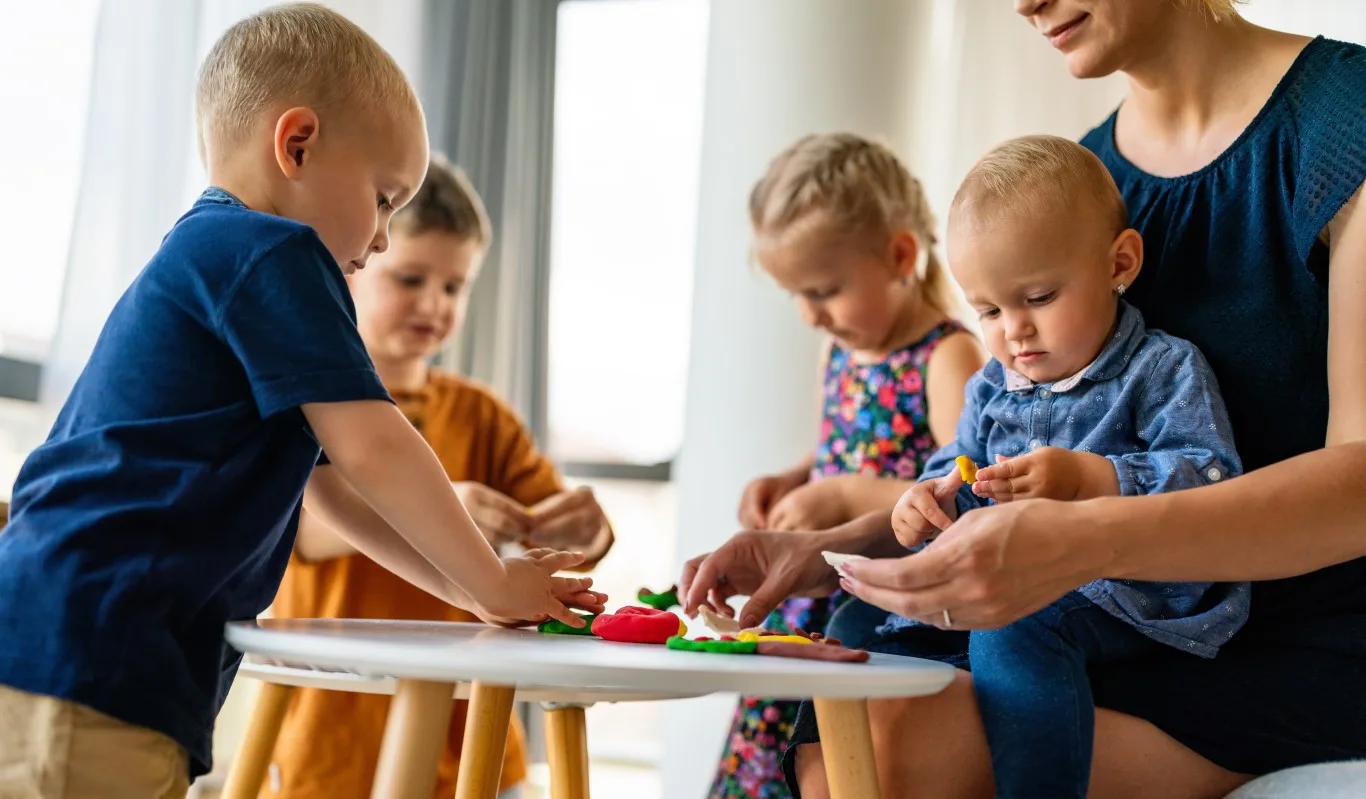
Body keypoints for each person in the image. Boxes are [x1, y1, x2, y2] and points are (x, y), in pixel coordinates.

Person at [683, 1, 1366, 796]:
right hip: (1079, 617)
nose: (1023, 3)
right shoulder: (1076, 184)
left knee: (898, 751)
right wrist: (838, 549)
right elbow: (995, 486)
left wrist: (1081, 535)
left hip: (1280, 649)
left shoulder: (1342, 122)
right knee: (847, 719)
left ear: (1123, 261)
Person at [0, 6, 604, 797]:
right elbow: (374, 446)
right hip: (96, 650)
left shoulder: (214, 255)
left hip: (67, 640)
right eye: (386, 198)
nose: (384, 236)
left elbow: (330, 485)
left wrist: (470, 592)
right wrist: (494, 581)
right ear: (297, 144)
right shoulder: (271, 251)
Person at [890, 134, 1243, 799]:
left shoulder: (1163, 369)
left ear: (1120, 263)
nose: (1013, 331)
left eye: (1040, 297)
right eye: (989, 310)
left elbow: (1212, 477)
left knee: (1012, 628)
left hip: (1135, 592)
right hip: (1014, 576)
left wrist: (1093, 480)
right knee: (864, 620)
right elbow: (958, 464)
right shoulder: (993, 385)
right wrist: (930, 495)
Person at [265, 154, 614, 799]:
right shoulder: (312, 403)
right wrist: (441, 508)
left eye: (453, 287)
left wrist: (587, 530)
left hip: (476, 736)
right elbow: (306, 535)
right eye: (411, 278)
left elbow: (560, 541)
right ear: (354, 271)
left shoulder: (484, 417)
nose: (433, 303)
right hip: (337, 734)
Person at [709, 133, 983, 798]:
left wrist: (840, 494)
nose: (810, 314)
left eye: (825, 290)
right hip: (803, 609)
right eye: (795, 294)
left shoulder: (948, 357)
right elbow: (838, 444)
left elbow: (963, 494)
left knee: (838, 771)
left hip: (880, 616)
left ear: (900, 255)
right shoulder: (842, 351)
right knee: (769, 761)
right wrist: (797, 477)